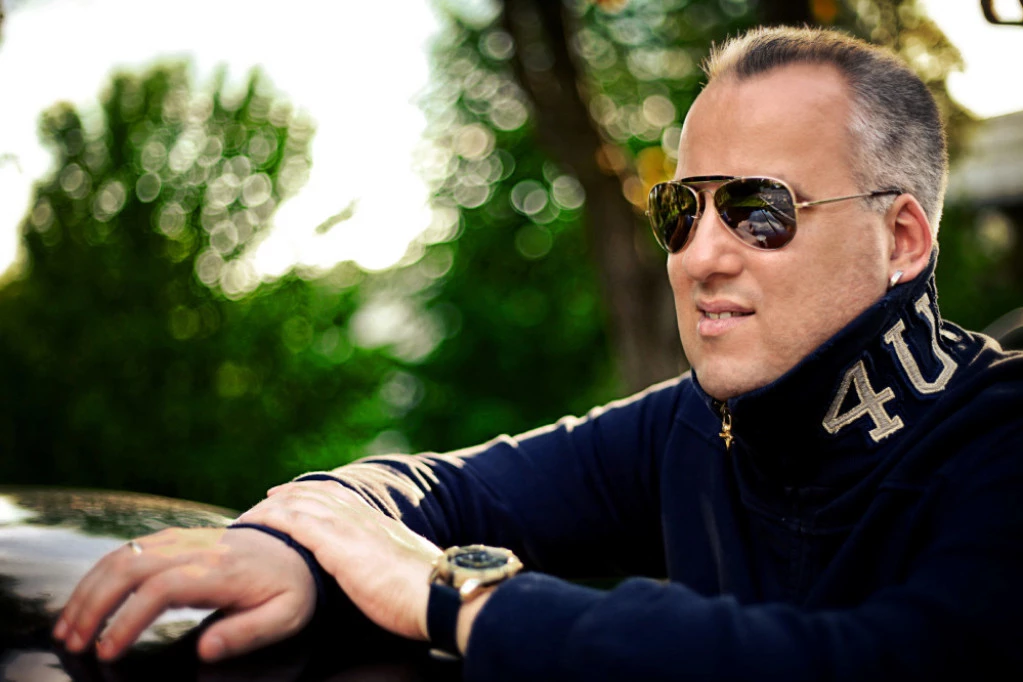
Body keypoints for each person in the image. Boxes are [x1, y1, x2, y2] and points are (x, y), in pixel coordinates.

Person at [53, 25, 1023, 680]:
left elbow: (881, 659)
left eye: (758, 209)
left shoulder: (1003, 436)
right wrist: (293, 550)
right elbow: (442, 490)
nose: (699, 256)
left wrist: (460, 597)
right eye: (680, 212)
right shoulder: (695, 426)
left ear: (901, 239)